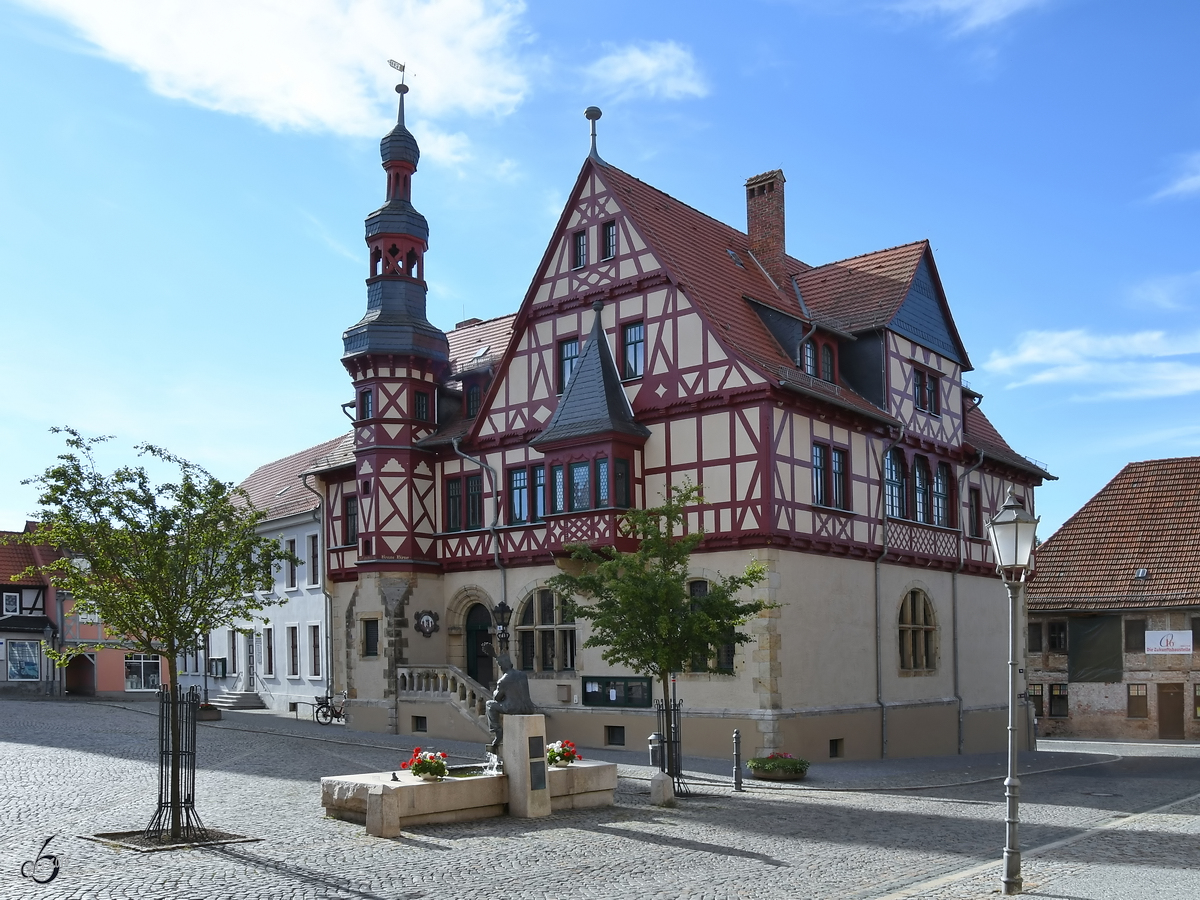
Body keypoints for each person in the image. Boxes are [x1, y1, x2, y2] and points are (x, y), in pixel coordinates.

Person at [482, 643, 535, 752]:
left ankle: (497, 730)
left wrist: (497, 689)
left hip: (512, 708)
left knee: (489, 704)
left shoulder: (503, 680)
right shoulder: (522, 675)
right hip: (527, 708)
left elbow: (497, 698)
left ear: (501, 667)